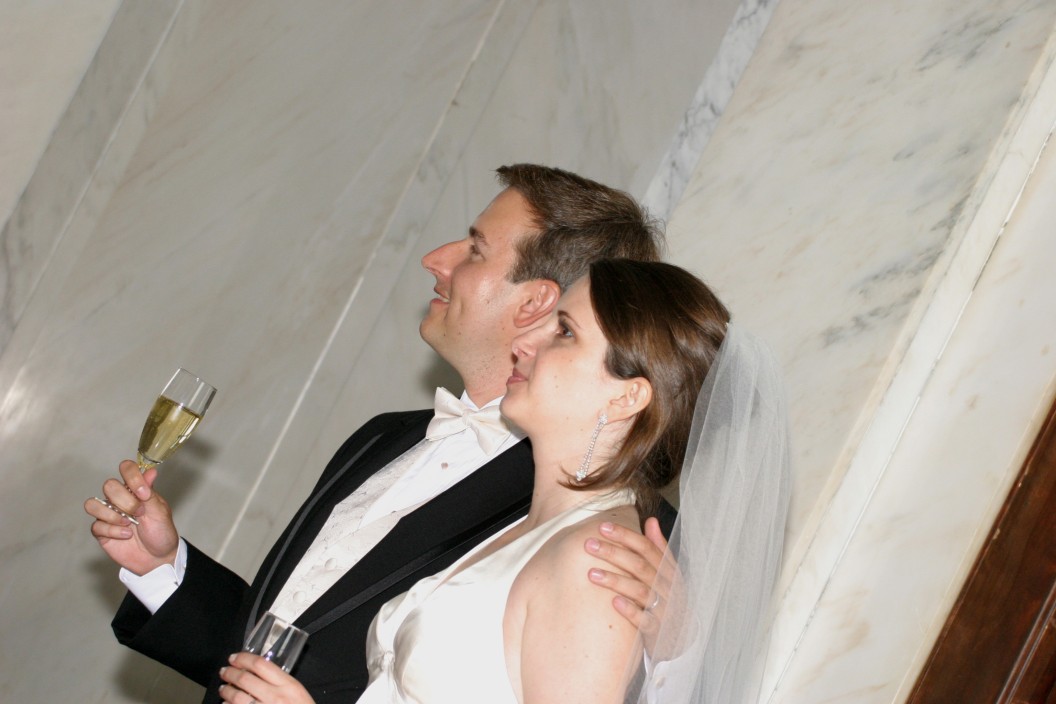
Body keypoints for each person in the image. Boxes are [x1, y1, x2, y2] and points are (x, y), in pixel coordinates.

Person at [85, 165, 676, 703]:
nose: (435, 259)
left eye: (474, 249)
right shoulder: (383, 438)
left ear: (535, 303)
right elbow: (276, 663)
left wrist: (679, 635)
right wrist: (165, 570)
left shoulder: (614, 528)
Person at [216, 259, 792, 703]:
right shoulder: (532, 528)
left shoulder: (596, 564)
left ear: (627, 397)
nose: (524, 343)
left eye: (564, 332)